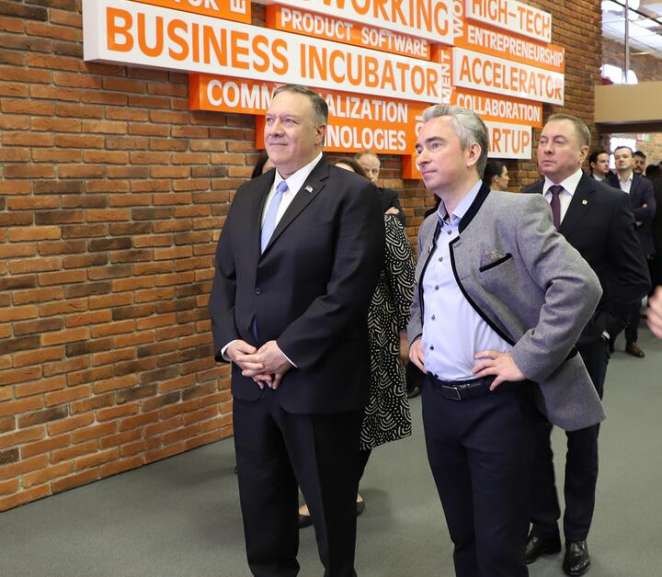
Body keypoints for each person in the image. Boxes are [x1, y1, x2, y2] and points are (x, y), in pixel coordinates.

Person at [408, 104, 604, 577]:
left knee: (499, 549)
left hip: (496, 405)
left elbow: (579, 285)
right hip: (439, 403)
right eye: (418, 147)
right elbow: (423, 296)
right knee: (464, 537)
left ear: (472, 152)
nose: (422, 157)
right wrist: (415, 335)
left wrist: (526, 358)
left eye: (435, 145)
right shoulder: (431, 225)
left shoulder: (514, 212)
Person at [209, 84, 385, 577]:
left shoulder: (352, 195)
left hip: (316, 381)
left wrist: (285, 351)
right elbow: (226, 278)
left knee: (329, 508)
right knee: (262, 503)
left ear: (320, 132)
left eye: (289, 120)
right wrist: (231, 344)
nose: (276, 130)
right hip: (251, 381)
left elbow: (349, 289)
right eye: (270, 120)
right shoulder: (249, 195)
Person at [523, 114, 650, 577]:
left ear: (581, 153)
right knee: (530, 440)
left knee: (582, 442)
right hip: (529, 345)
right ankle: (544, 527)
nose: (546, 148)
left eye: (558, 141)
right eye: (542, 141)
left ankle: (577, 534)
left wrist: (603, 328)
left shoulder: (610, 202)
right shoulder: (521, 201)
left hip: (585, 345)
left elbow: (633, 277)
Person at [298, 157, 415, 527]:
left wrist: (407, 336)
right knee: (322, 421)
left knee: (364, 422)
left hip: (372, 340)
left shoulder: (385, 224)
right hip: (319, 341)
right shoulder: (309, 226)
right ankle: (330, 489)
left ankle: (345, 489)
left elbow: (405, 285)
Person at [606, 146, 656, 357]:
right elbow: (603, 213)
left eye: (625, 156)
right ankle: (608, 337)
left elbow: (650, 211)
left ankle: (631, 340)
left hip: (638, 245)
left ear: (632, 160)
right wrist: (635, 215)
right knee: (611, 295)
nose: (621, 160)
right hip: (612, 247)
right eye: (617, 157)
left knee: (635, 297)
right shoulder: (606, 184)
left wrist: (622, 217)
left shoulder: (645, 184)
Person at [355, 150, 406, 225]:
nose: (370, 176)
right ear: (355, 171)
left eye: (374, 171)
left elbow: (400, 223)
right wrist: (385, 217)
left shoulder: (389, 196)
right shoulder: (346, 196)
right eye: (365, 170)